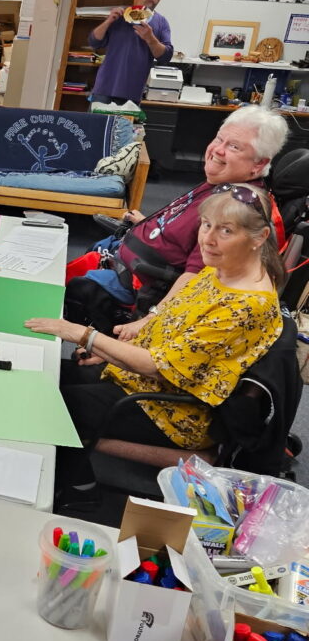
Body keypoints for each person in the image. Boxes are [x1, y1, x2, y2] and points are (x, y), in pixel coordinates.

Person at [28, 185, 284, 517]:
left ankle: (78, 490)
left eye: (226, 230)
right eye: (206, 225)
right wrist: (112, 351)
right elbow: (171, 331)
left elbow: (156, 365)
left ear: (259, 237)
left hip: (170, 411)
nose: (208, 238)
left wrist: (81, 334)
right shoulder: (220, 270)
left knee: (53, 402)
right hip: (144, 381)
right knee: (43, 376)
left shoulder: (248, 304)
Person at [65, 104, 288, 337]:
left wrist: (151, 320)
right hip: (124, 256)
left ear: (259, 164)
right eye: (219, 139)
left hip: (140, 284)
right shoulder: (219, 181)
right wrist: (146, 223)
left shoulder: (233, 207)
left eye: (233, 147)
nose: (217, 151)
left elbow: (197, 278)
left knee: (76, 289)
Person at [88, 0, 173, 106]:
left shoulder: (162, 23)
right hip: (104, 88)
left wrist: (151, 39)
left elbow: (165, 57)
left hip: (131, 93)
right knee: (96, 126)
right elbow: (94, 42)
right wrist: (108, 21)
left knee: (124, 127)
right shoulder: (120, 14)